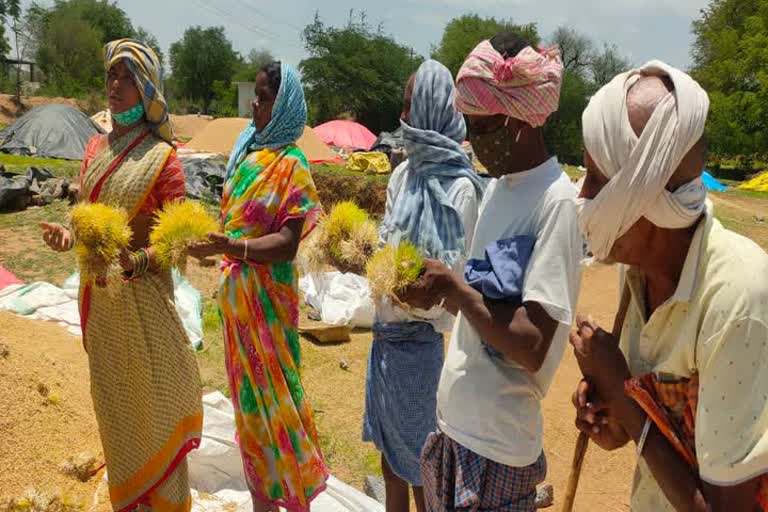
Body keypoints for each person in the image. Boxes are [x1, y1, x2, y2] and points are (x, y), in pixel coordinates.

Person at [571, 62, 768, 511]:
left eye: (597, 179)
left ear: (645, 197)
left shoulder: (736, 297)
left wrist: (621, 389)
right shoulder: (636, 268)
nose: (582, 195)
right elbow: (632, 435)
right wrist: (608, 412)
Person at [400, 32, 583, 511]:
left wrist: (454, 290)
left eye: (483, 128)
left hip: (498, 450)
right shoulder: (500, 189)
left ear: (520, 118)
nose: (474, 141)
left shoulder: (556, 203)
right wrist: (437, 292)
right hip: (455, 430)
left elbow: (532, 343)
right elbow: (482, 302)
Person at [40, 39, 203, 512]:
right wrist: (67, 239)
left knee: (154, 406)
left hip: (144, 303)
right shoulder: (94, 147)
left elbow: (176, 242)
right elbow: (87, 222)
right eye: (112, 74)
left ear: (147, 86)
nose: (115, 85)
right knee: (116, 411)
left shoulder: (163, 158)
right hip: (101, 306)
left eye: (127, 76)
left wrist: (138, 262)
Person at [187, 61, 328, 512]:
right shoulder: (246, 155)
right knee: (248, 413)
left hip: (268, 309)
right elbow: (233, 224)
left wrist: (235, 248)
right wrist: (214, 245)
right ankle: (261, 504)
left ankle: (294, 498)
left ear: (283, 105)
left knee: (279, 407)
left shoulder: (293, 166)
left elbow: (287, 244)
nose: (255, 103)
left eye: (264, 97)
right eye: (256, 95)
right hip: (237, 313)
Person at [362, 59, 484, 512]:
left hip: (424, 349)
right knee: (392, 464)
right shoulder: (402, 175)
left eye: (412, 104)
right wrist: (374, 267)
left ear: (433, 108)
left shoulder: (461, 190)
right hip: (386, 344)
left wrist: (407, 289)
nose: (404, 114)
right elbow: (383, 248)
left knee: (425, 472)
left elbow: (450, 286)